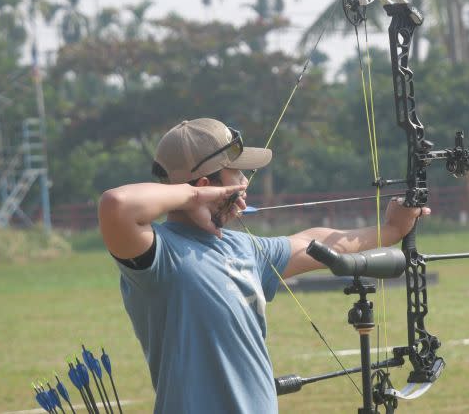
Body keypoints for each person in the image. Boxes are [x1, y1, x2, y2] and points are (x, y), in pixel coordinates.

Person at [98, 118, 429, 413]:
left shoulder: (245, 248)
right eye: (237, 174)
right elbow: (117, 204)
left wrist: (391, 230)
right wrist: (195, 197)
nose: (244, 183)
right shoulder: (158, 256)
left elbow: (319, 243)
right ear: (205, 186)